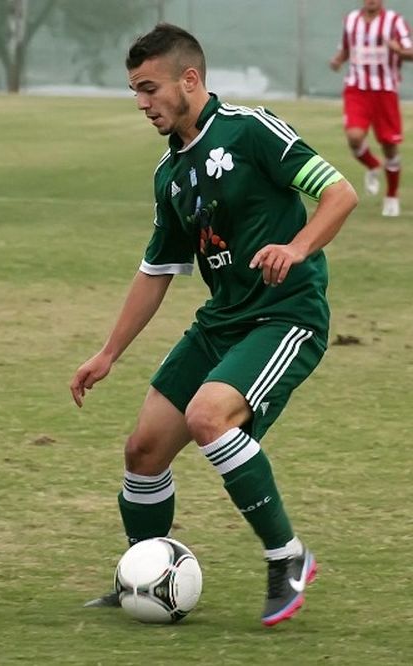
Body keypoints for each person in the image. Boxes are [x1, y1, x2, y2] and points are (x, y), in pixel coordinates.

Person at [70, 23, 357, 627]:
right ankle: (141, 575)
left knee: (208, 416)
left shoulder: (251, 131)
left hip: (286, 316)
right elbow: (156, 271)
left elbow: (339, 193)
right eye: (135, 92)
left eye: (150, 89)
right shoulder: (169, 174)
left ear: (190, 79)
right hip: (221, 322)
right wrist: (108, 353)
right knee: (143, 450)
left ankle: (290, 558)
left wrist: (298, 247)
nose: (142, 103)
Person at [330, 0, 413, 217]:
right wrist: (338, 60)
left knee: (389, 145)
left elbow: (410, 52)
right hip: (356, 89)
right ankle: (373, 166)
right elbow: (346, 49)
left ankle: (392, 195)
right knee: (354, 137)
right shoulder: (351, 21)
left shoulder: (395, 22)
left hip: (385, 91)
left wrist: (398, 51)